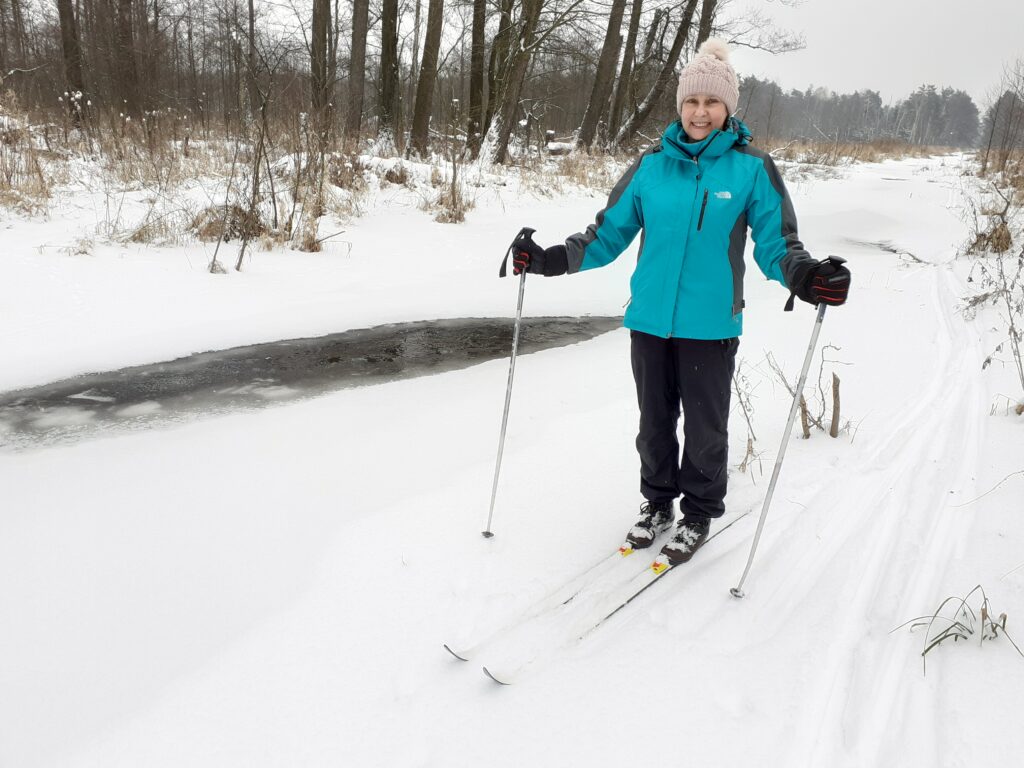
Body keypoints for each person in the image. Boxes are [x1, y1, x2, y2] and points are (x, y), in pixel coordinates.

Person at [507, 38, 851, 566]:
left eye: (711, 103)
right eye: (692, 101)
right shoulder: (650, 167)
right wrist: (551, 259)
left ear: (727, 108)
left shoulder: (751, 169)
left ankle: (698, 513)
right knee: (653, 422)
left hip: (710, 324)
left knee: (706, 427)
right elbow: (606, 234)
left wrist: (806, 278)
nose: (699, 112)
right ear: (680, 105)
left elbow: (777, 243)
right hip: (648, 320)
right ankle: (658, 504)